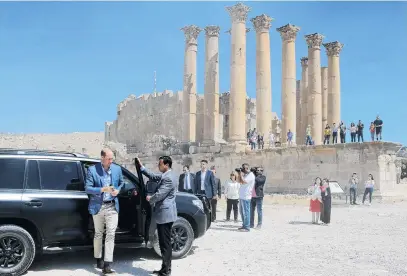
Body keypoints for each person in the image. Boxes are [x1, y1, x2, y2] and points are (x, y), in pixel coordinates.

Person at [85, 148, 125, 274]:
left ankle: (107, 264)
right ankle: (98, 258)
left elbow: (122, 182)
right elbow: (88, 188)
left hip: (112, 206)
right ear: (102, 158)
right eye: (109, 159)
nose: (111, 161)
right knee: (98, 234)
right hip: (98, 206)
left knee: (111, 234)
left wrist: (118, 190)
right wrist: (102, 189)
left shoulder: (117, 169)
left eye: (112, 158)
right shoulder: (92, 170)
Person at [137, 156, 177, 276]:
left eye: (160, 164)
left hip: (165, 215)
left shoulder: (169, 178)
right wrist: (142, 167)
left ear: (166, 165)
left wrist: (151, 198)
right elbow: (154, 176)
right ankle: (164, 268)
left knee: (165, 244)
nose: (158, 166)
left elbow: (160, 194)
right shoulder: (166, 175)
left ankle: (166, 271)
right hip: (164, 214)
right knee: (163, 243)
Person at [238, 164, 255, 232]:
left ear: (247, 168)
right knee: (242, 212)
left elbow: (244, 182)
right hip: (242, 196)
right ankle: (244, 225)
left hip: (246, 196)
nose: (242, 170)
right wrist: (240, 174)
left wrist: (241, 175)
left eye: (243, 168)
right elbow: (239, 181)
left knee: (246, 212)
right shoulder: (245, 175)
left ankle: (247, 227)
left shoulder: (251, 175)